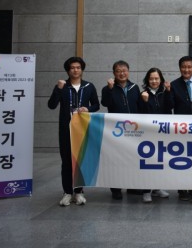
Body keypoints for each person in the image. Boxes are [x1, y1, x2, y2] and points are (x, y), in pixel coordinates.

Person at [48, 57, 100, 207]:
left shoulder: (89, 86)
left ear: (82, 69)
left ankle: (79, 192)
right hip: (66, 129)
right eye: (72, 68)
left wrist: (87, 108)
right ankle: (67, 192)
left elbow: (96, 105)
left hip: (82, 129)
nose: (75, 70)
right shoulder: (62, 86)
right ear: (68, 70)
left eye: (78, 67)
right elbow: (51, 105)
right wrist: (58, 89)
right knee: (66, 161)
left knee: (80, 161)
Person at [101, 60, 140, 200]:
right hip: (116, 130)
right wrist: (110, 89)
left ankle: (131, 186)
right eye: (118, 71)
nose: (122, 73)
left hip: (133, 130)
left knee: (132, 158)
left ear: (128, 72)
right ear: (114, 73)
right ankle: (116, 189)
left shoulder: (135, 87)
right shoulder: (107, 88)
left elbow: (139, 106)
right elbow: (105, 103)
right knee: (116, 159)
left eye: (124, 70)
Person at [170, 55, 192, 201]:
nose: (186, 70)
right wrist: (168, 92)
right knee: (182, 158)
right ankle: (182, 189)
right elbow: (170, 105)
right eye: (184, 67)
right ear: (180, 68)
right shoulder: (174, 85)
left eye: (189, 67)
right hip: (181, 127)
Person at [138, 67, 172, 203]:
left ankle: (157, 188)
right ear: (147, 80)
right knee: (148, 162)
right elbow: (141, 114)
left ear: (161, 80)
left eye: (156, 78)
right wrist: (145, 101)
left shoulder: (164, 93)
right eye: (151, 79)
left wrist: (168, 92)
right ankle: (146, 191)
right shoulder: (143, 94)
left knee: (160, 161)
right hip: (147, 134)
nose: (154, 81)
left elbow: (170, 108)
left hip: (162, 132)